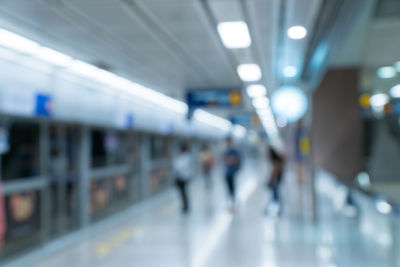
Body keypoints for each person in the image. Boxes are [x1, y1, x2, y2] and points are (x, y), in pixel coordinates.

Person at [173, 143, 193, 214]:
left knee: (183, 193)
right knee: (184, 193)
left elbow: (178, 167)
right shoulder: (187, 156)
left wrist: (175, 162)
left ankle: (185, 207)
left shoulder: (184, 157)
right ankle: (185, 206)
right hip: (184, 177)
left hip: (182, 178)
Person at [223, 137, 241, 210]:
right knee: (228, 188)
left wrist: (230, 159)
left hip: (232, 172)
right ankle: (230, 203)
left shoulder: (234, 151)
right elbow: (225, 159)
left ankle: (233, 203)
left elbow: (235, 160)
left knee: (232, 188)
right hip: (227, 172)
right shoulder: (227, 151)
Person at [267, 146, 284, 213]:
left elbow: (276, 171)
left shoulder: (275, 160)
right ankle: (276, 208)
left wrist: (273, 180)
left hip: (276, 179)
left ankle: (277, 209)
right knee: (275, 194)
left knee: (275, 195)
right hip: (278, 178)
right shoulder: (277, 159)